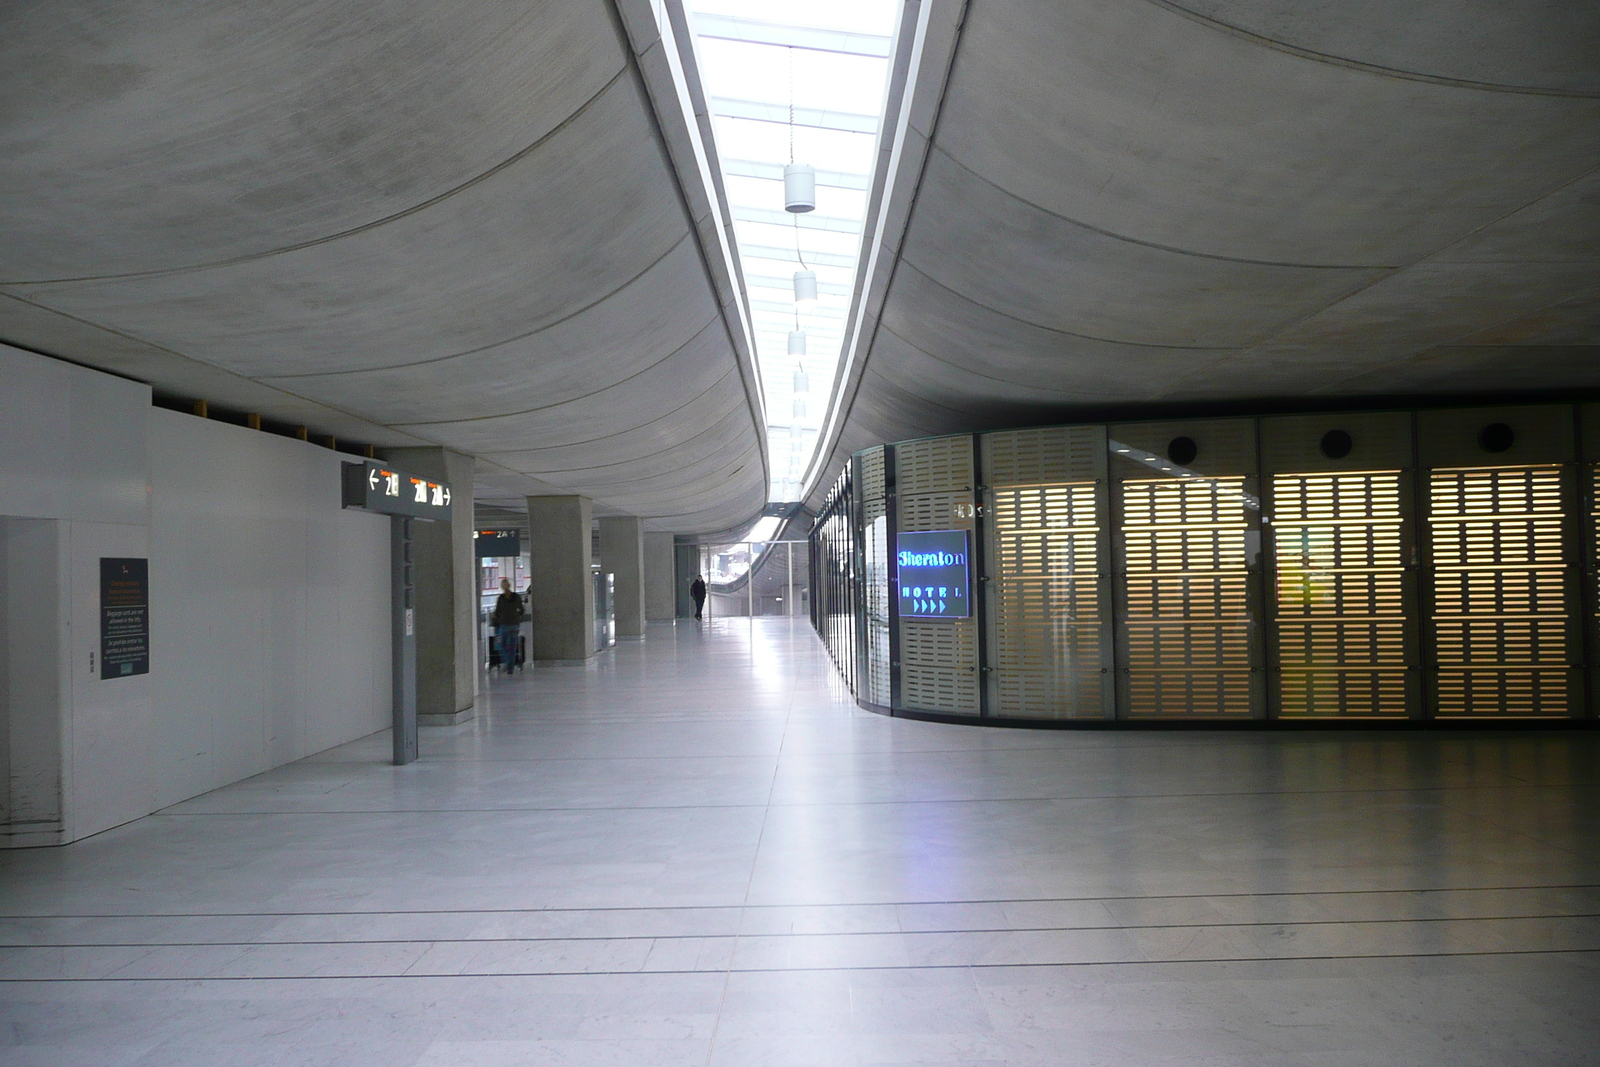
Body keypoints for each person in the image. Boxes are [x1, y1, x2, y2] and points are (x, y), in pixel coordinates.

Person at [490, 578, 525, 673]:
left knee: (502, 645)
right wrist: (516, 616)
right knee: (513, 647)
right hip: (515, 624)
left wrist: (499, 617)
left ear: (502, 587)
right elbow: (522, 610)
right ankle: (510, 669)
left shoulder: (501, 598)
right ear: (509, 585)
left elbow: (497, 612)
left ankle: (507, 661)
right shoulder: (516, 597)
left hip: (505, 624)